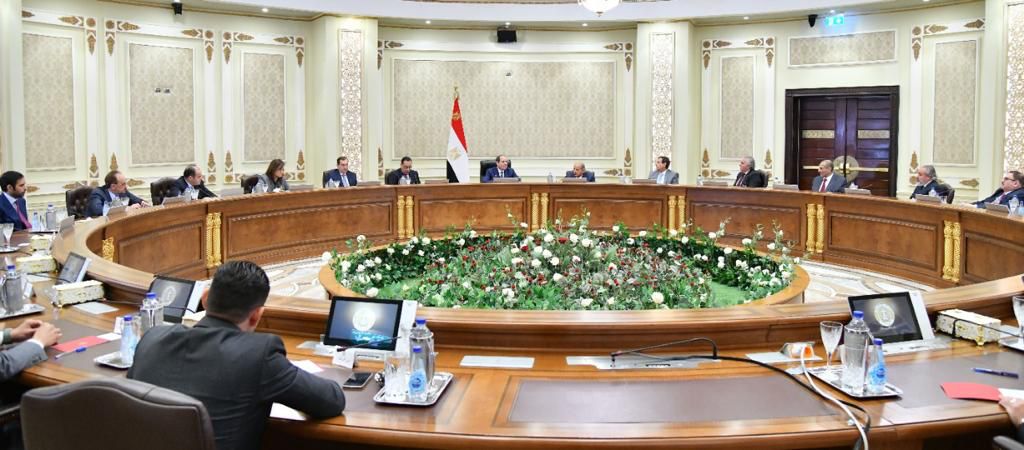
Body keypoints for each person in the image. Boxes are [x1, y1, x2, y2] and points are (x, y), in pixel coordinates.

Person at [128, 261, 345, 450]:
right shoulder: (259, 354)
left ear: (205, 299)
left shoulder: (152, 339)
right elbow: (331, 401)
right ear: (257, 315)